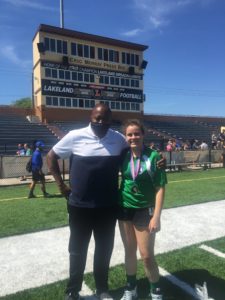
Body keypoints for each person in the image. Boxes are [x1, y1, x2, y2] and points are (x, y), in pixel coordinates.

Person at [47, 104, 166, 300]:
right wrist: (61, 187)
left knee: (104, 250)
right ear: (90, 117)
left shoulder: (117, 139)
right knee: (77, 250)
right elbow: (51, 157)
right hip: (79, 206)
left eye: (105, 119)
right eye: (97, 118)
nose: (100, 122)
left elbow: (137, 145)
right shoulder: (75, 135)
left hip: (108, 207)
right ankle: (73, 290)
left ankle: (102, 289)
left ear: (110, 121)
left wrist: (158, 157)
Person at [118, 119, 167, 300]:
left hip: (144, 210)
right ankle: (131, 288)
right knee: (129, 251)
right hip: (124, 208)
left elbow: (160, 188)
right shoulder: (122, 155)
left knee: (146, 255)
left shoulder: (154, 156)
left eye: (137, 133)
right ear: (125, 137)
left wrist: (156, 216)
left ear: (143, 134)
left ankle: (155, 290)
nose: (133, 137)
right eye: (129, 134)